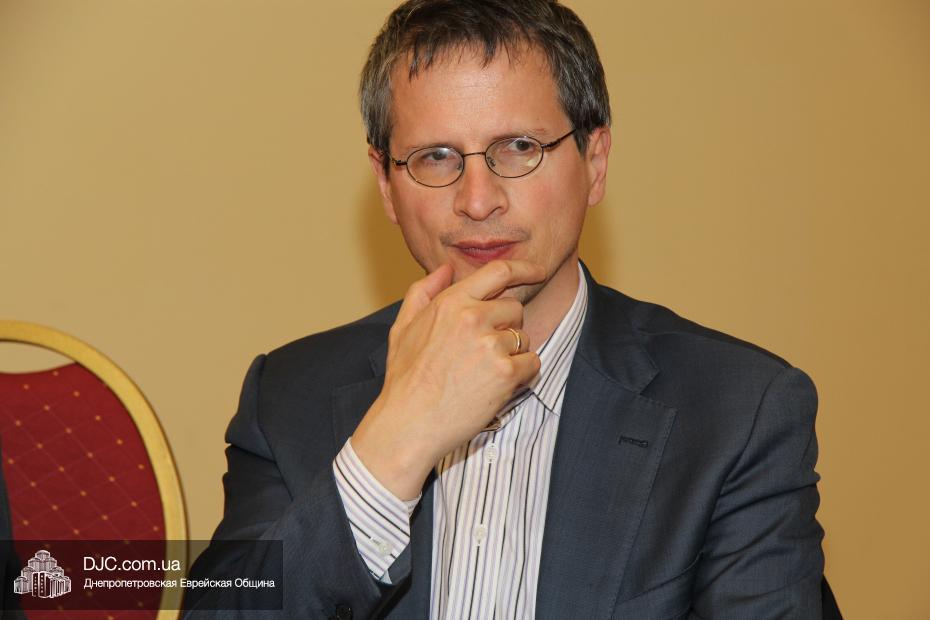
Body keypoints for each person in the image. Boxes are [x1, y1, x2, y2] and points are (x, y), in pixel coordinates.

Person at [185, 1, 829, 617]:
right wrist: (394, 441)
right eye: (435, 157)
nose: (477, 199)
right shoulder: (286, 396)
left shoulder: (739, 412)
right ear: (385, 184)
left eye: (519, 147)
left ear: (595, 161)